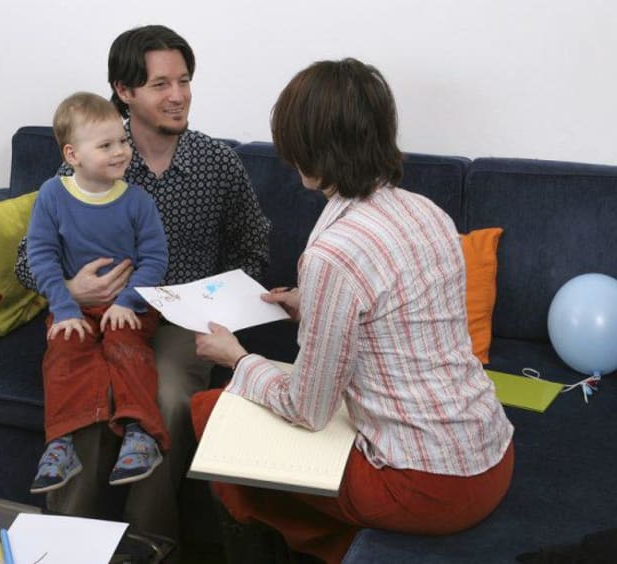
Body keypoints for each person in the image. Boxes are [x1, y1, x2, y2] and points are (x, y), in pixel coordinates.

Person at [192, 58, 515, 564]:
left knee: (208, 410)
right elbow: (403, 322)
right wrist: (312, 307)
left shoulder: (332, 254)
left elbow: (308, 410)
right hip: (493, 455)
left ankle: (306, 547)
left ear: (313, 150)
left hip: (427, 487)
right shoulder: (427, 212)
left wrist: (236, 358)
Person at [14, 24, 271, 553]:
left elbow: (255, 248)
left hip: (181, 319)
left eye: (184, 81)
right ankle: (63, 547)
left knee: (167, 398)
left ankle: (150, 544)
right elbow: (27, 259)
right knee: (86, 404)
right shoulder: (93, 153)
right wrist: (70, 289)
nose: (178, 96)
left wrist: (223, 299)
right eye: (160, 85)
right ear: (124, 91)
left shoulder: (216, 162)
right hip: (96, 314)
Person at [27, 92, 170, 495]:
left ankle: (141, 433)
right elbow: (42, 257)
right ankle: (61, 443)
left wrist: (128, 302)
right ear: (72, 154)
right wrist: (64, 307)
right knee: (65, 349)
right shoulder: (52, 196)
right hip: (75, 307)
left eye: (122, 141)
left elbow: (155, 259)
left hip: (130, 305)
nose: (121, 151)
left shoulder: (138, 201)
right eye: (106, 145)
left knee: (126, 346)